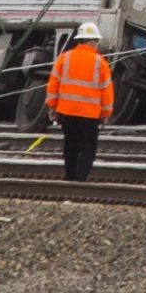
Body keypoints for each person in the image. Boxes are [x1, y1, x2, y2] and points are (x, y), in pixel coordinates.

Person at [46, 23, 115, 182]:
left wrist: (52, 107)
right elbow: (106, 91)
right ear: (92, 42)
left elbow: (53, 85)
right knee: (87, 147)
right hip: (90, 114)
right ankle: (80, 180)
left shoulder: (64, 58)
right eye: (97, 41)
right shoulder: (100, 63)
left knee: (70, 145)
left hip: (67, 112)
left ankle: (69, 176)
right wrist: (105, 114)